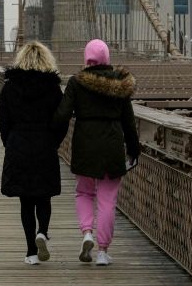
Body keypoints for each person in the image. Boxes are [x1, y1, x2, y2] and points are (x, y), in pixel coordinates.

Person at [52, 38, 140, 266]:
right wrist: (133, 150)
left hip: (84, 144)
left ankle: (87, 234)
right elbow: (129, 122)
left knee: (84, 192)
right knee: (107, 200)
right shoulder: (122, 84)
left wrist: (54, 141)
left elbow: (62, 115)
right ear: (107, 59)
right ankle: (102, 251)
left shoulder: (76, 82)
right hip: (112, 145)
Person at [0, 40, 64, 265]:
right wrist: (54, 141)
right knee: (43, 196)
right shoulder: (53, 88)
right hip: (45, 143)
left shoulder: (10, 86)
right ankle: (42, 233)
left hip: (18, 143)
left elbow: (3, 119)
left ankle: (31, 253)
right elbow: (61, 120)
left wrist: (10, 143)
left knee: (26, 201)